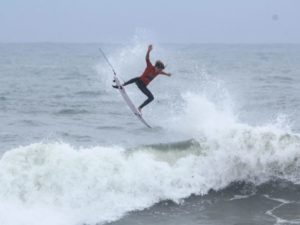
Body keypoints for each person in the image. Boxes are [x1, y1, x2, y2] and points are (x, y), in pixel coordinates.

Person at [113, 44, 171, 113]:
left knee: (151, 98)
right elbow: (147, 58)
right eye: (159, 69)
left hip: (143, 86)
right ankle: (122, 85)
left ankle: (140, 107)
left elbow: (162, 72)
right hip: (139, 81)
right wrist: (149, 50)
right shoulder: (150, 66)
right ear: (156, 66)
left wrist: (167, 74)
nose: (159, 71)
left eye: (160, 70)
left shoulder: (158, 72)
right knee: (137, 78)